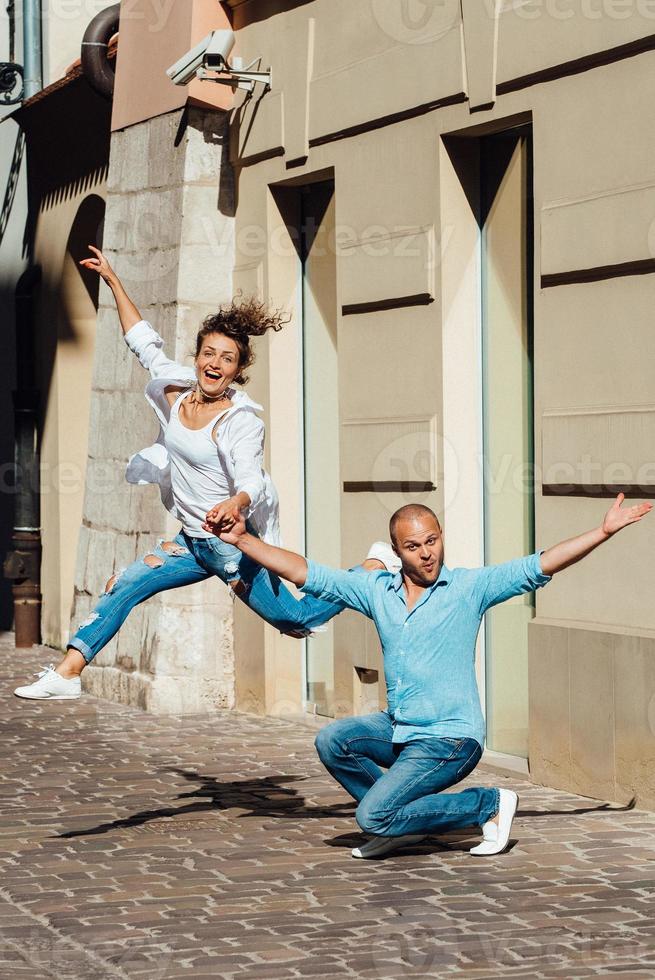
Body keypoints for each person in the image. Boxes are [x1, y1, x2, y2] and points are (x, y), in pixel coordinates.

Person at [14, 246, 396, 701]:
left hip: (231, 545)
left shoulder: (240, 421)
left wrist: (236, 504)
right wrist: (114, 280)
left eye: (227, 358)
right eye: (208, 353)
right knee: (125, 586)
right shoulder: (176, 392)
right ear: (197, 357)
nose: (215, 364)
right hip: (191, 541)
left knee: (296, 621)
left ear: (239, 368)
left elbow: (250, 479)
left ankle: (372, 566)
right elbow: (142, 340)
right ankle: (67, 673)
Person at [204, 493, 651, 857]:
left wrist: (603, 531)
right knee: (333, 741)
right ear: (396, 552)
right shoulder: (375, 591)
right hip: (401, 728)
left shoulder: (467, 589)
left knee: (371, 817)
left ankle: (488, 804)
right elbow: (304, 570)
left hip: (450, 738)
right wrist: (242, 539)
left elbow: (541, 564)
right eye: (414, 546)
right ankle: (401, 821)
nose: (427, 553)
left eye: (432, 541)